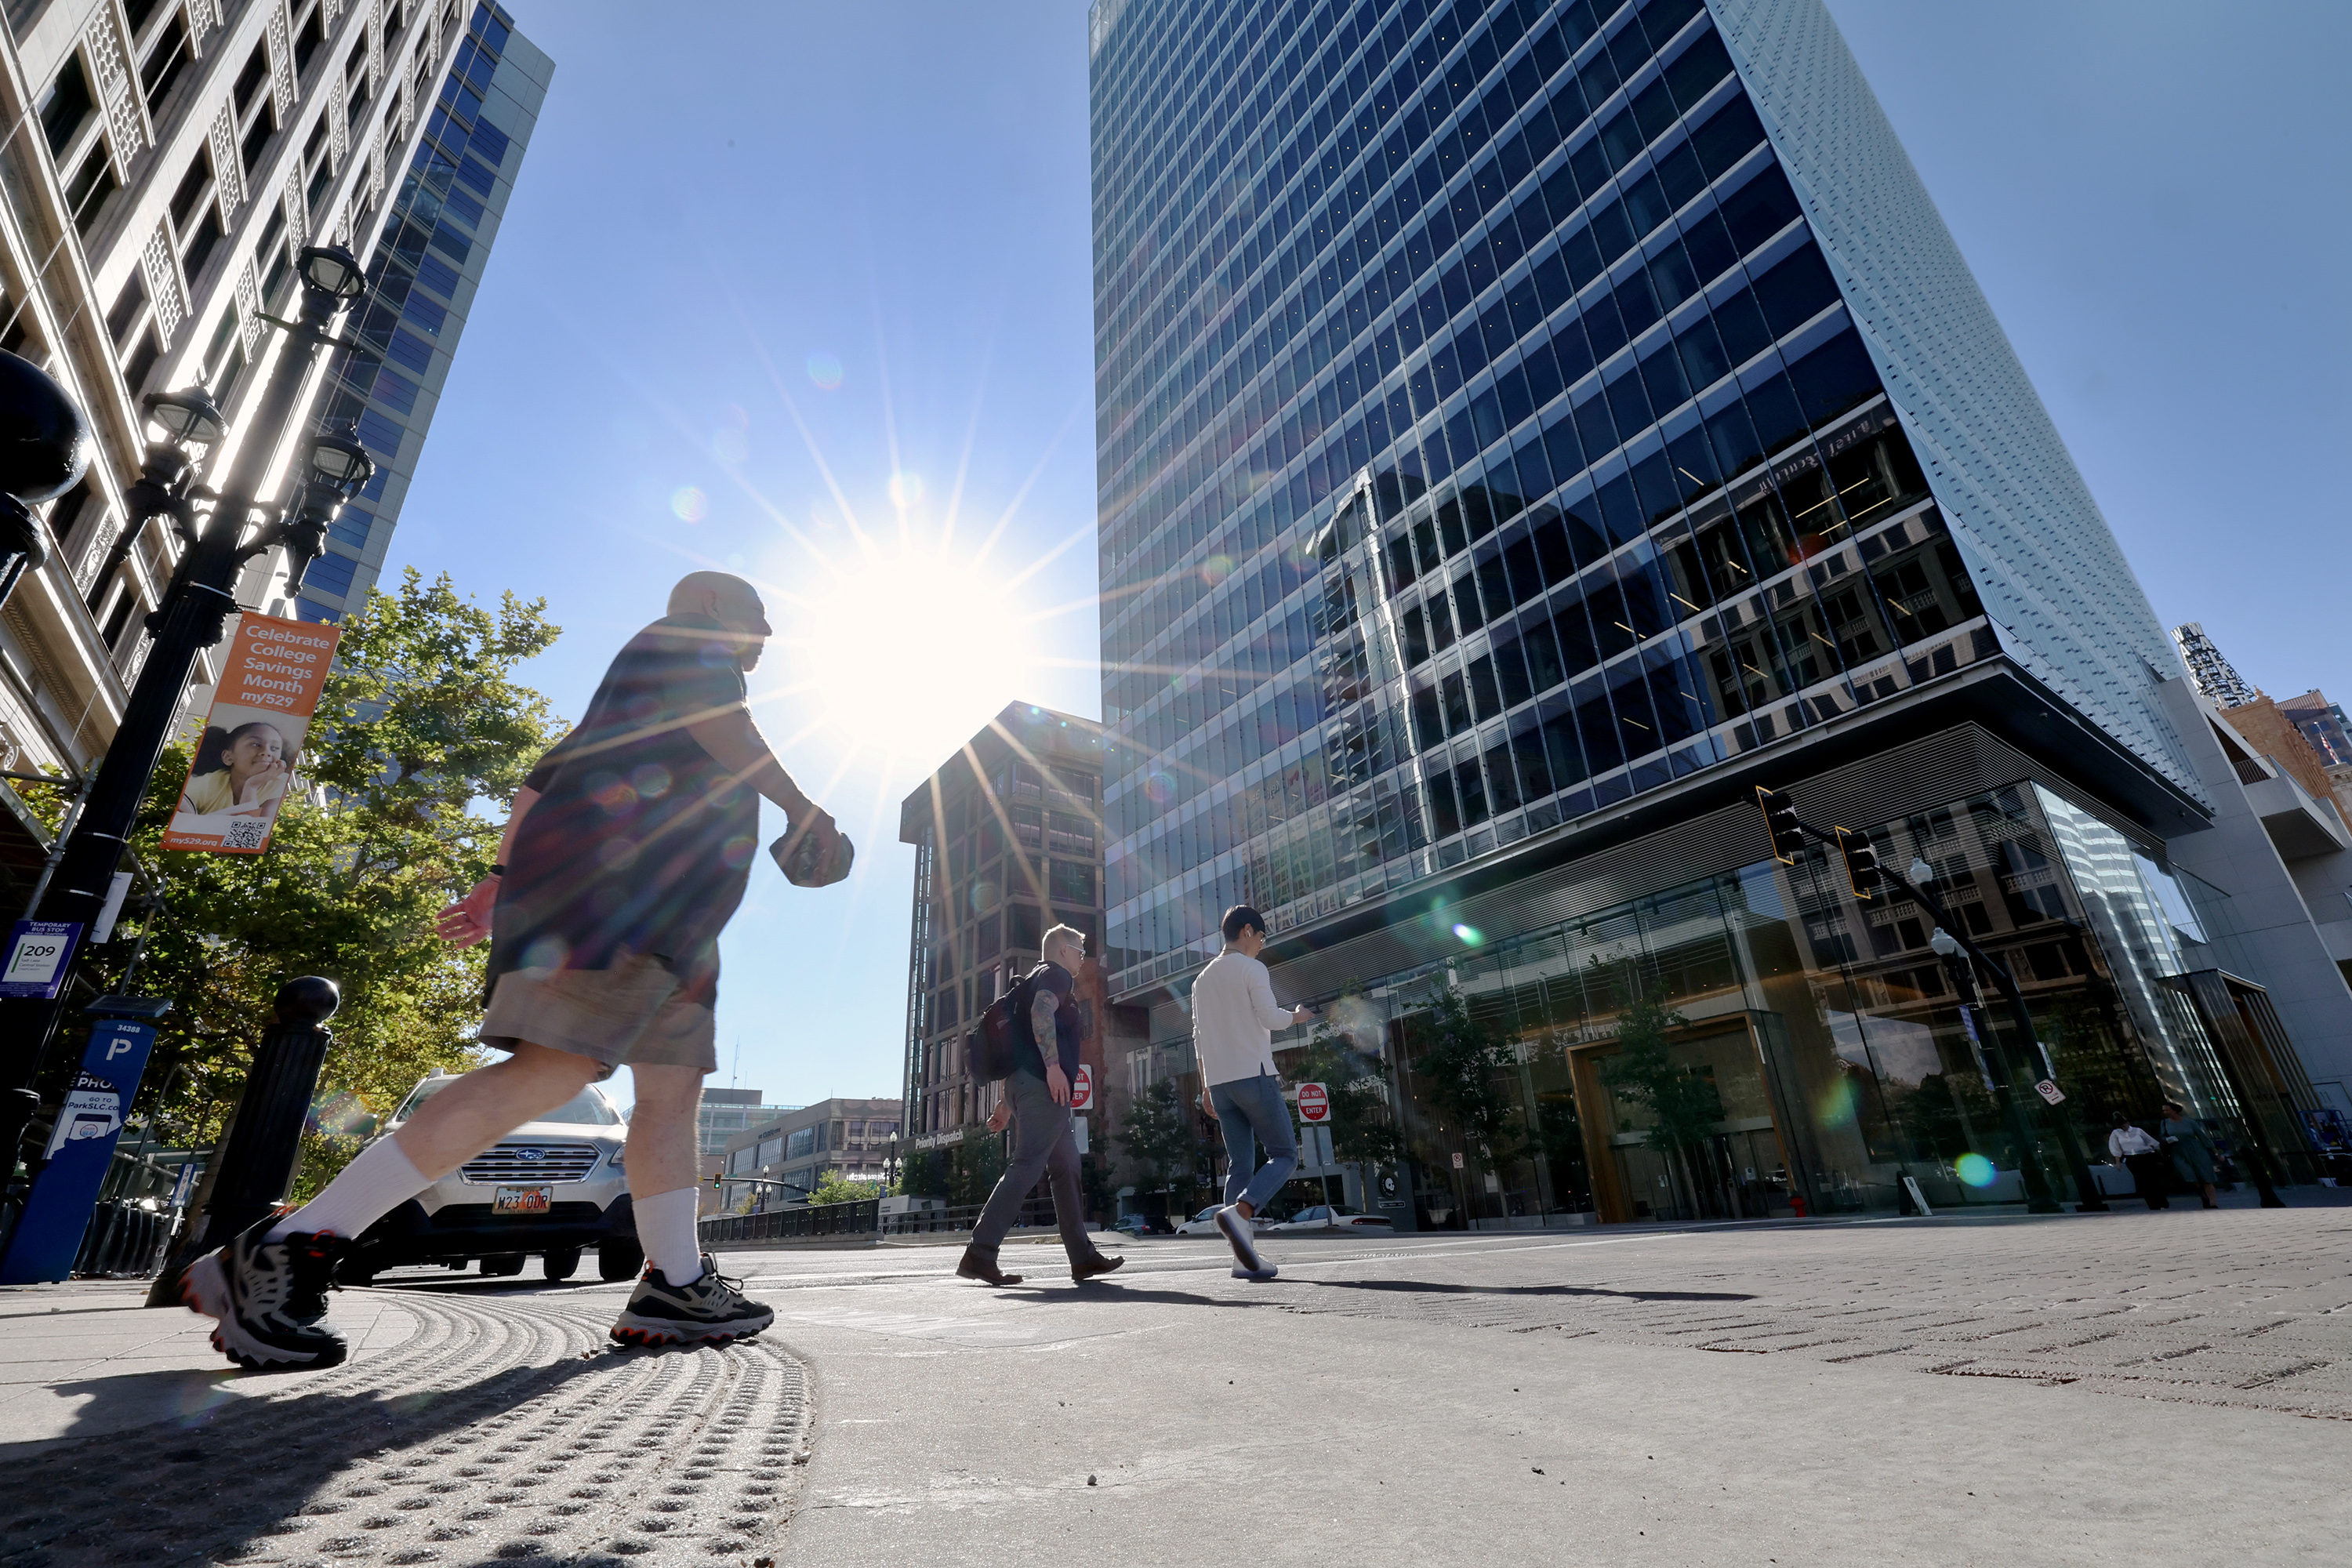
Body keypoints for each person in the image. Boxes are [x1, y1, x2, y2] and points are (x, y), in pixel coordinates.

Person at [179, 572, 848, 1368]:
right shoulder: (685, 645)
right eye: (758, 617)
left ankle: (676, 1280)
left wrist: (499, 880)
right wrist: (805, 806)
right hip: (616, 897)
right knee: (550, 1073)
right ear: (710, 605)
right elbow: (722, 725)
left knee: (670, 1095)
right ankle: (291, 1246)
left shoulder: (633, 695)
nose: (767, 635)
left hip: (676, 929)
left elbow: (540, 779)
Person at [956, 924, 1124, 1287]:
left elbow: (1021, 1045)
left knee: (1067, 1167)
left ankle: (1082, 1257)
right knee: (1028, 1166)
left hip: (1024, 1086)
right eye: (1080, 950)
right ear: (1063, 950)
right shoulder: (1056, 975)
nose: (1082, 957)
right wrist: (1052, 1068)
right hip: (1042, 1088)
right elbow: (1041, 1015)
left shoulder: (1031, 979)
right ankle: (980, 1252)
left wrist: (1005, 1103)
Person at [1192, 905, 1315, 1281]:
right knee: (1284, 1154)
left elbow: (1198, 1039)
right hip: (1254, 1076)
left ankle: (1242, 1259)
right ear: (1247, 931)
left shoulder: (1201, 980)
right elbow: (1270, 1018)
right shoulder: (1251, 968)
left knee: (1240, 1165)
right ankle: (1242, 1211)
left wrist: (1205, 1088)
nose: (1261, 946)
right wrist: (1296, 1015)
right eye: (1261, 937)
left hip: (1220, 1083)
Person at [179, 720, 291, 817]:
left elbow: (250, 830)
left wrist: (251, 787)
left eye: (275, 748)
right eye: (256, 744)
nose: (266, 752)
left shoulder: (279, 784)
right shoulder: (205, 785)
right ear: (228, 757)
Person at [2159, 1101, 2223, 1210]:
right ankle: (2203, 1196)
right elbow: (2162, 1137)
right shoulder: (2165, 1123)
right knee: (2190, 1177)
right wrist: (2167, 1139)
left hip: (2196, 1150)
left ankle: (2213, 1202)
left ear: (2175, 1110)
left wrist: (2215, 1152)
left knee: (2205, 1176)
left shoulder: (2189, 1122)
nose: (2165, 1112)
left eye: (2167, 1110)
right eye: (2164, 1110)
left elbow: (2202, 1136)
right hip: (2178, 1152)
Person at [2107, 1116, 2169, 1210]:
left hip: (2145, 1156)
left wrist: (2149, 1148)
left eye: (2124, 1126)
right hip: (2131, 1158)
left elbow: (2152, 1142)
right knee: (2142, 1181)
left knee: (2152, 1179)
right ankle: (2153, 1205)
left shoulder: (2138, 1131)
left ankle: (2162, 1202)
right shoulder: (2116, 1133)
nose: (2124, 1128)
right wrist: (2118, 1161)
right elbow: (2115, 1147)